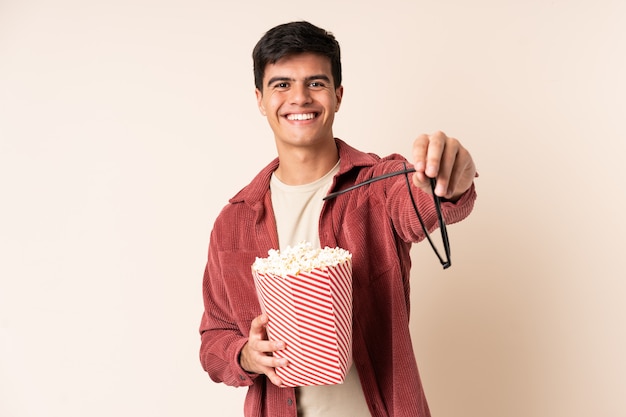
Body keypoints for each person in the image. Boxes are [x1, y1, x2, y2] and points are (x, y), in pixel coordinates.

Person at [199, 21, 477, 417]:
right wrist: (246, 355)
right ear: (260, 99)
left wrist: (451, 179)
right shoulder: (234, 221)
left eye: (315, 83)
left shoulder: (381, 184)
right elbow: (214, 339)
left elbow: (422, 204)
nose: (299, 98)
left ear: (337, 95)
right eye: (281, 85)